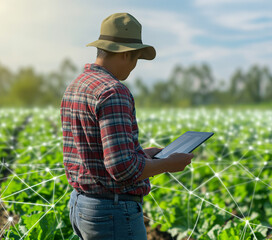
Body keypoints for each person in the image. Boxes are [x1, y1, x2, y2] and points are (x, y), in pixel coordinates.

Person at [60, 13, 194, 240]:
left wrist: (143, 155)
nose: (133, 67)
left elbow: (96, 152)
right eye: (136, 59)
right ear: (126, 54)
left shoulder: (77, 85)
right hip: (112, 212)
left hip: (81, 205)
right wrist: (168, 165)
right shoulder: (113, 91)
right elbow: (122, 168)